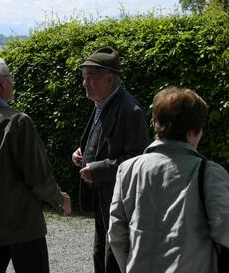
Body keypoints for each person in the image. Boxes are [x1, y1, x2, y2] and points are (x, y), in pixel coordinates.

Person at [0, 56, 71, 273]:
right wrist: (59, 198)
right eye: (10, 77)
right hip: (23, 227)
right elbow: (38, 176)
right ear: (2, 82)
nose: (13, 82)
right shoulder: (17, 122)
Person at [108, 87, 229, 273]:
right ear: (193, 132)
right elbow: (224, 229)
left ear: (156, 122)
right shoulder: (210, 173)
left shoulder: (128, 169)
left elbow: (116, 233)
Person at [72, 47, 150, 273]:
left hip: (117, 200)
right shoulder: (102, 102)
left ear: (109, 78)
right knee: (100, 254)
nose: (85, 83)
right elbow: (102, 141)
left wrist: (97, 168)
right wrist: (82, 152)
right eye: (83, 77)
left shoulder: (130, 110)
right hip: (102, 198)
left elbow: (136, 159)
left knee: (113, 258)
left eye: (90, 77)